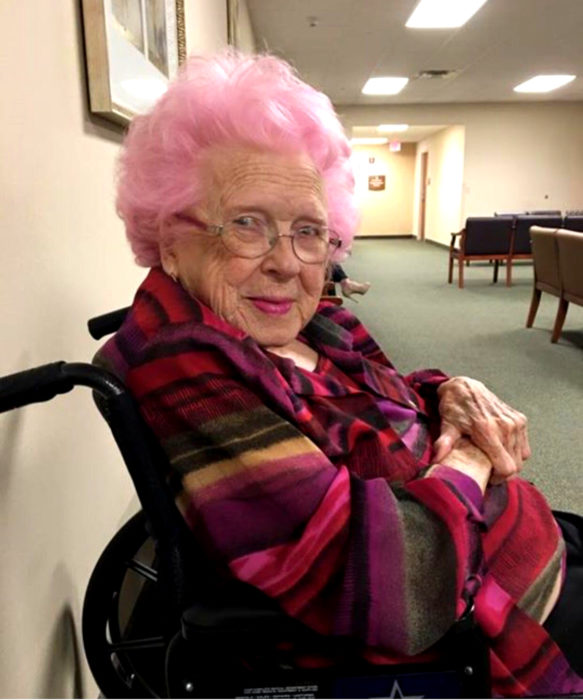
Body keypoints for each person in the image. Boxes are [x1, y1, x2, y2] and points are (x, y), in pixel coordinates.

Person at [94, 50, 582, 696]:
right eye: (246, 224)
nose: (286, 263)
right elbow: (401, 584)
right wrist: (470, 458)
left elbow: (394, 399)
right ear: (169, 235)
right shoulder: (187, 360)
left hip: (513, 541)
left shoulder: (309, 324)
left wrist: (450, 392)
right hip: (486, 618)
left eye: (308, 232)